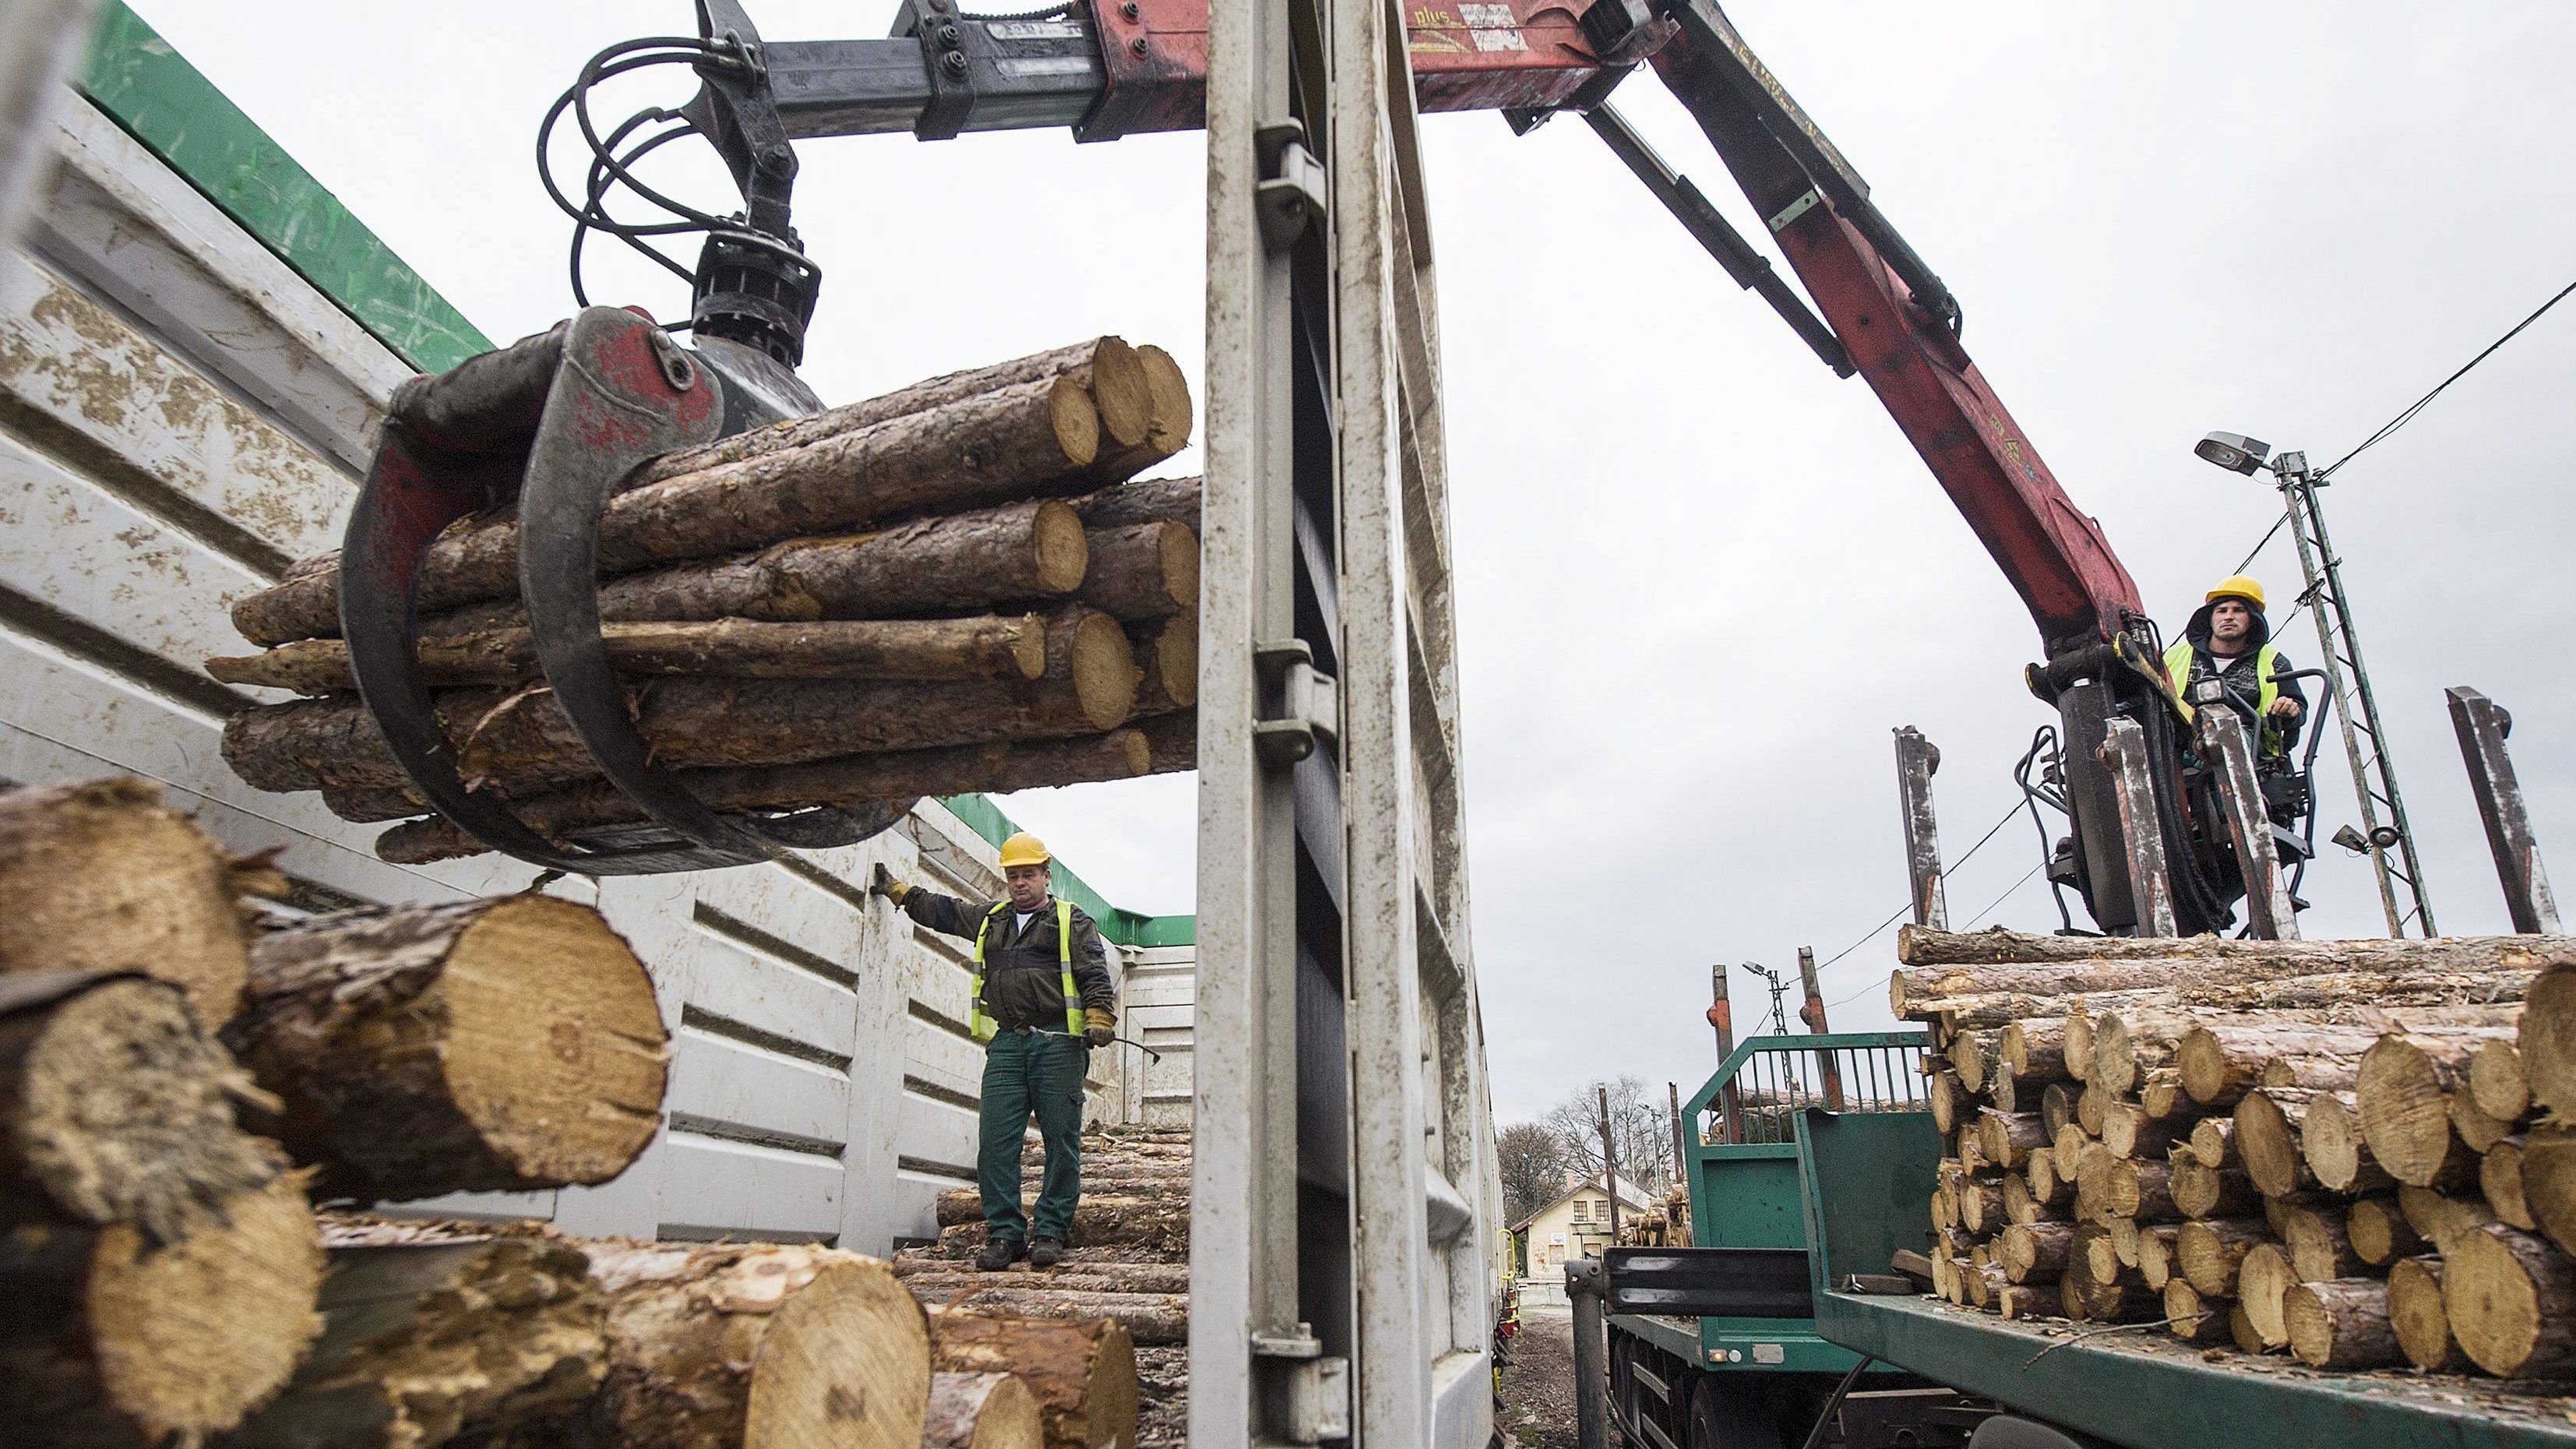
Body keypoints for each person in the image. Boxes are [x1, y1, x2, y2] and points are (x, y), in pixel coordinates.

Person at [871, 832, 1116, 1271]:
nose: (1020, 882)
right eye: (1013, 875)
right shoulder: (993, 920)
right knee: (995, 1142)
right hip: (1008, 1042)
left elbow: (1094, 971)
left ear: (1045, 875)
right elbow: (946, 913)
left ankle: (1050, 1231)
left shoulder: (1071, 921)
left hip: (1058, 1043)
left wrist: (1099, 1016)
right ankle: (1005, 1234)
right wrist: (902, 894)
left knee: (1061, 1140)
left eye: (1028, 874)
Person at [2163, 573, 2308, 765]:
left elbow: (2298, 710)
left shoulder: (2274, 662)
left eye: (2238, 610)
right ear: (2210, 618)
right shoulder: (2174, 656)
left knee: (2226, 737)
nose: (2229, 616)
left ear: (2253, 619)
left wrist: (2289, 710)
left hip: (2244, 742)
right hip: (2180, 740)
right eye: (2222, 611)